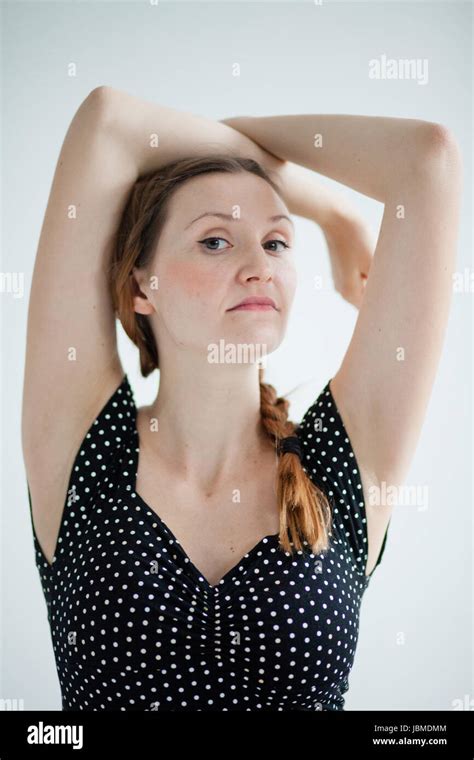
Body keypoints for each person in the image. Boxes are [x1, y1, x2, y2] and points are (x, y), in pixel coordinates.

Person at [21, 87, 462, 711]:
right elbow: (108, 123)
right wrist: (325, 209)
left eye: (277, 242)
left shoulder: (338, 467)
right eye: (215, 241)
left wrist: (246, 144)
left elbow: (430, 159)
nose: (259, 264)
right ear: (142, 285)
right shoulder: (83, 447)